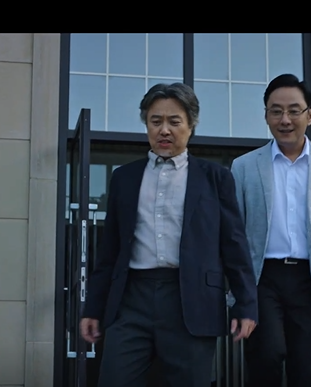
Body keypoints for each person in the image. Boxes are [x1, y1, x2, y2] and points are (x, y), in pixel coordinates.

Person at [79, 82, 259, 387]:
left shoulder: (215, 178)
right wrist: (93, 308)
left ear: (191, 125)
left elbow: (234, 245)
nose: (164, 130)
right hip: (131, 300)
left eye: (174, 121)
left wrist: (246, 303)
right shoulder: (124, 178)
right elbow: (109, 251)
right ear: (146, 125)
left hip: (191, 300)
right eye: (156, 121)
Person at [230, 73, 311, 387]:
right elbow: (235, 231)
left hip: (309, 281)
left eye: (294, 111)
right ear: (266, 116)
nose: (285, 119)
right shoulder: (244, 167)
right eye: (276, 111)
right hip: (262, 278)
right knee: (267, 355)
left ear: (310, 115)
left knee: (305, 367)